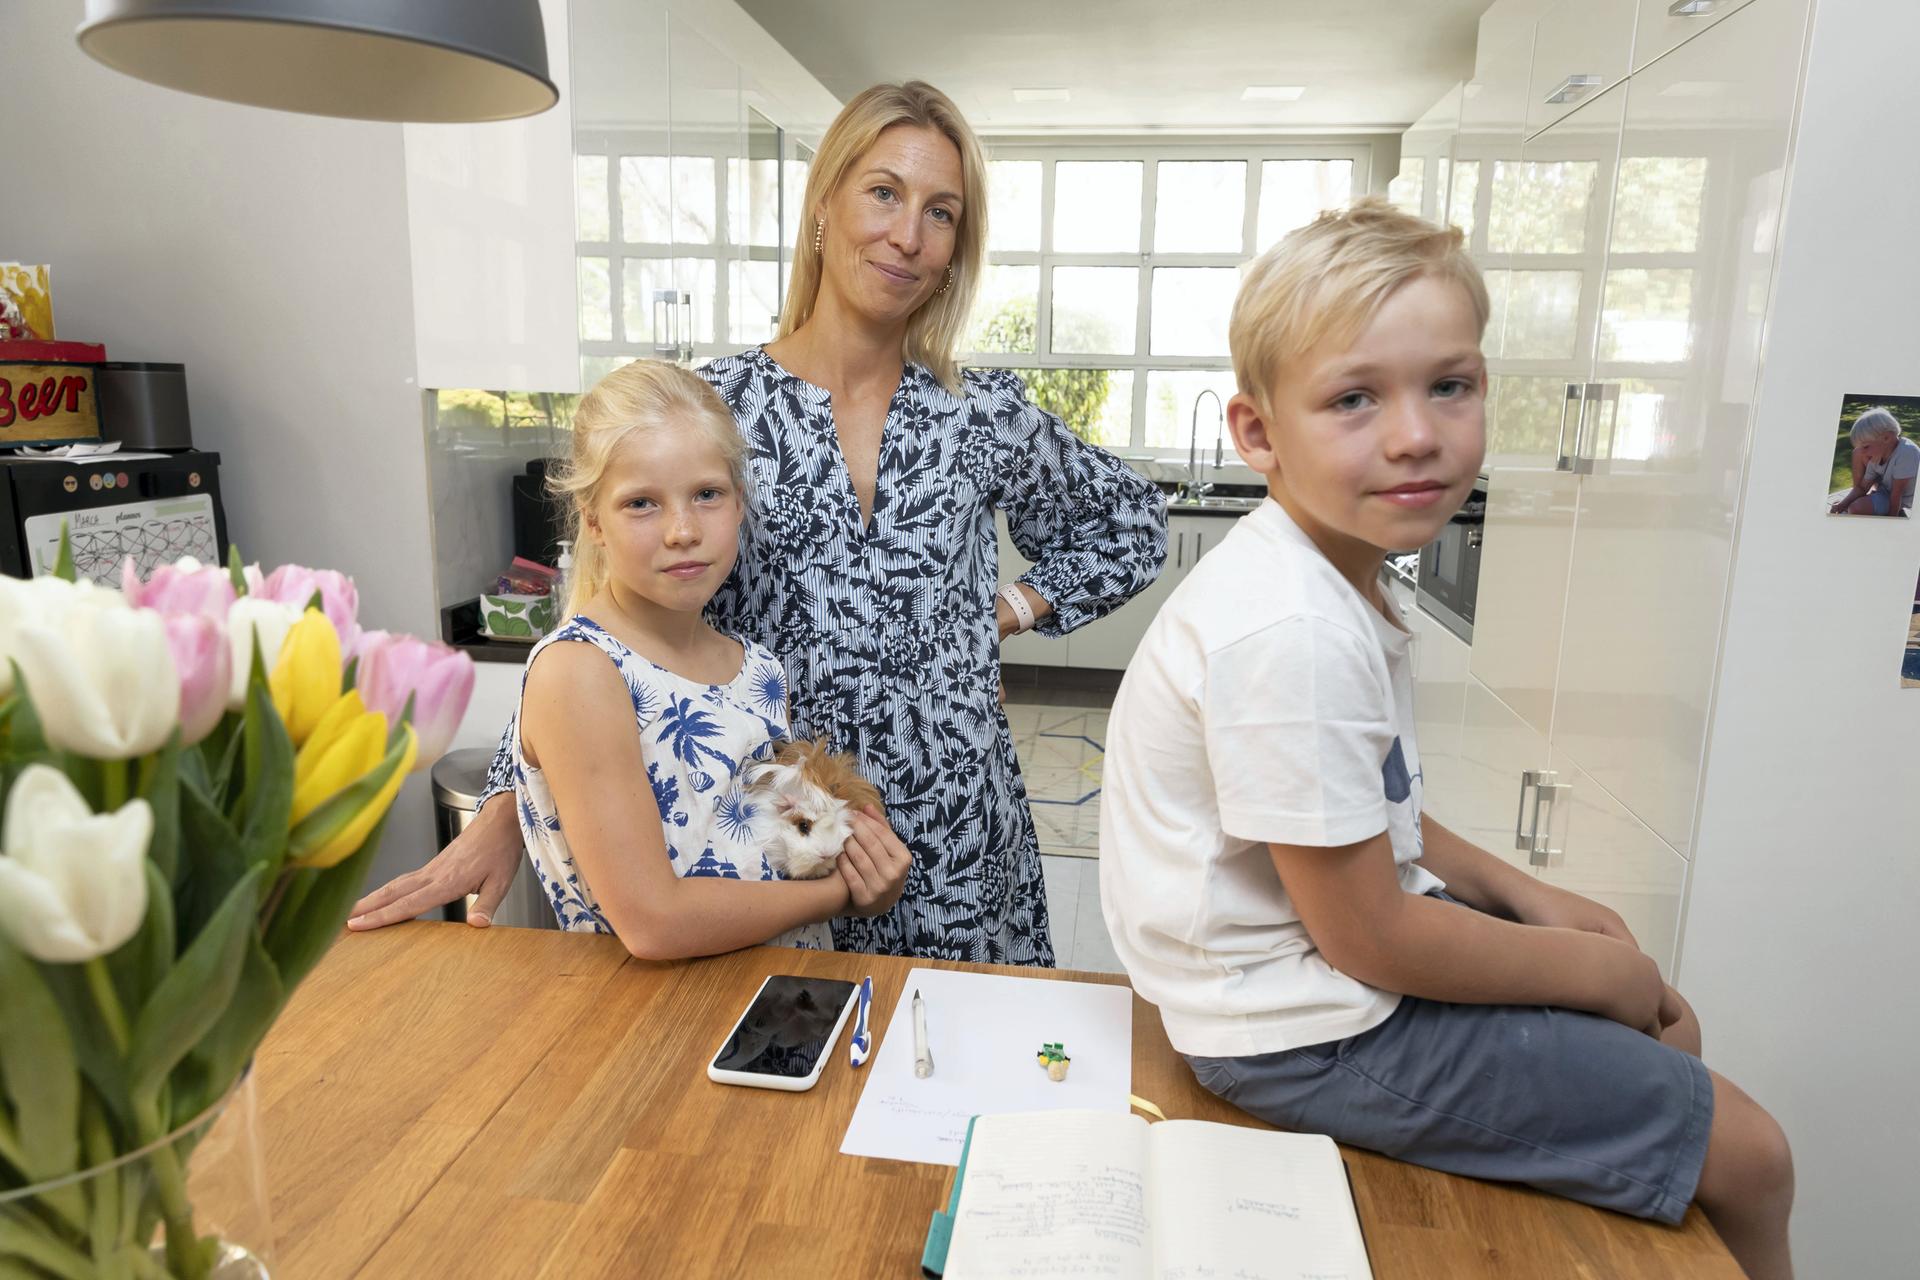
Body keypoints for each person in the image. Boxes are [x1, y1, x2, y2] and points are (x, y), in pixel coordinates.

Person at [1099, 199, 1794, 1280]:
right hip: (1298, 1027)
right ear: (1258, 433)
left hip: (1301, 980)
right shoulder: (1292, 630)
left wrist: (1530, 895)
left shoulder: (1324, 572)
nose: (1416, 432)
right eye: (1354, 398)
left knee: (1664, 1027)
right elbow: (1369, 937)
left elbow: (1367, 804)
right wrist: (1581, 972)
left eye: (1450, 385)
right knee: (1752, 1152)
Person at [349, 82, 1167, 963]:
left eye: (942, 212)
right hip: (771, 857)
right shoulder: (719, 408)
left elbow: (1132, 524)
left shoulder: (984, 415)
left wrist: (1004, 610)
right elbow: (603, 621)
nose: (908, 234)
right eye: (884, 193)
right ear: (824, 208)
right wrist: (512, 801)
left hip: (959, 840)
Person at [511, 359, 909, 957]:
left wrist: (855, 856)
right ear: (592, 521)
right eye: (641, 503)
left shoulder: (757, 669)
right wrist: (849, 894)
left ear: (740, 501)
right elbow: (654, 923)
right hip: (664, 1026)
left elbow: (766, 853)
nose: (681, 531)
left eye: (706, 494)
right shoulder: (580, 673)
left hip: (783, 1007)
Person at [1829, 406, 1916, 515]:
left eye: (1866, 447)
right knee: (1853, 506)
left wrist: (1891, 524)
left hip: (1902, 500)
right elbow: (1863, 487)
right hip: (1885, 492)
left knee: (1856, 508)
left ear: (1886, 438)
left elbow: (1896, 496)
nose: (1863, 452)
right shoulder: (1878, 455)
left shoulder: (1906, 453)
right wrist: (1842, 504)